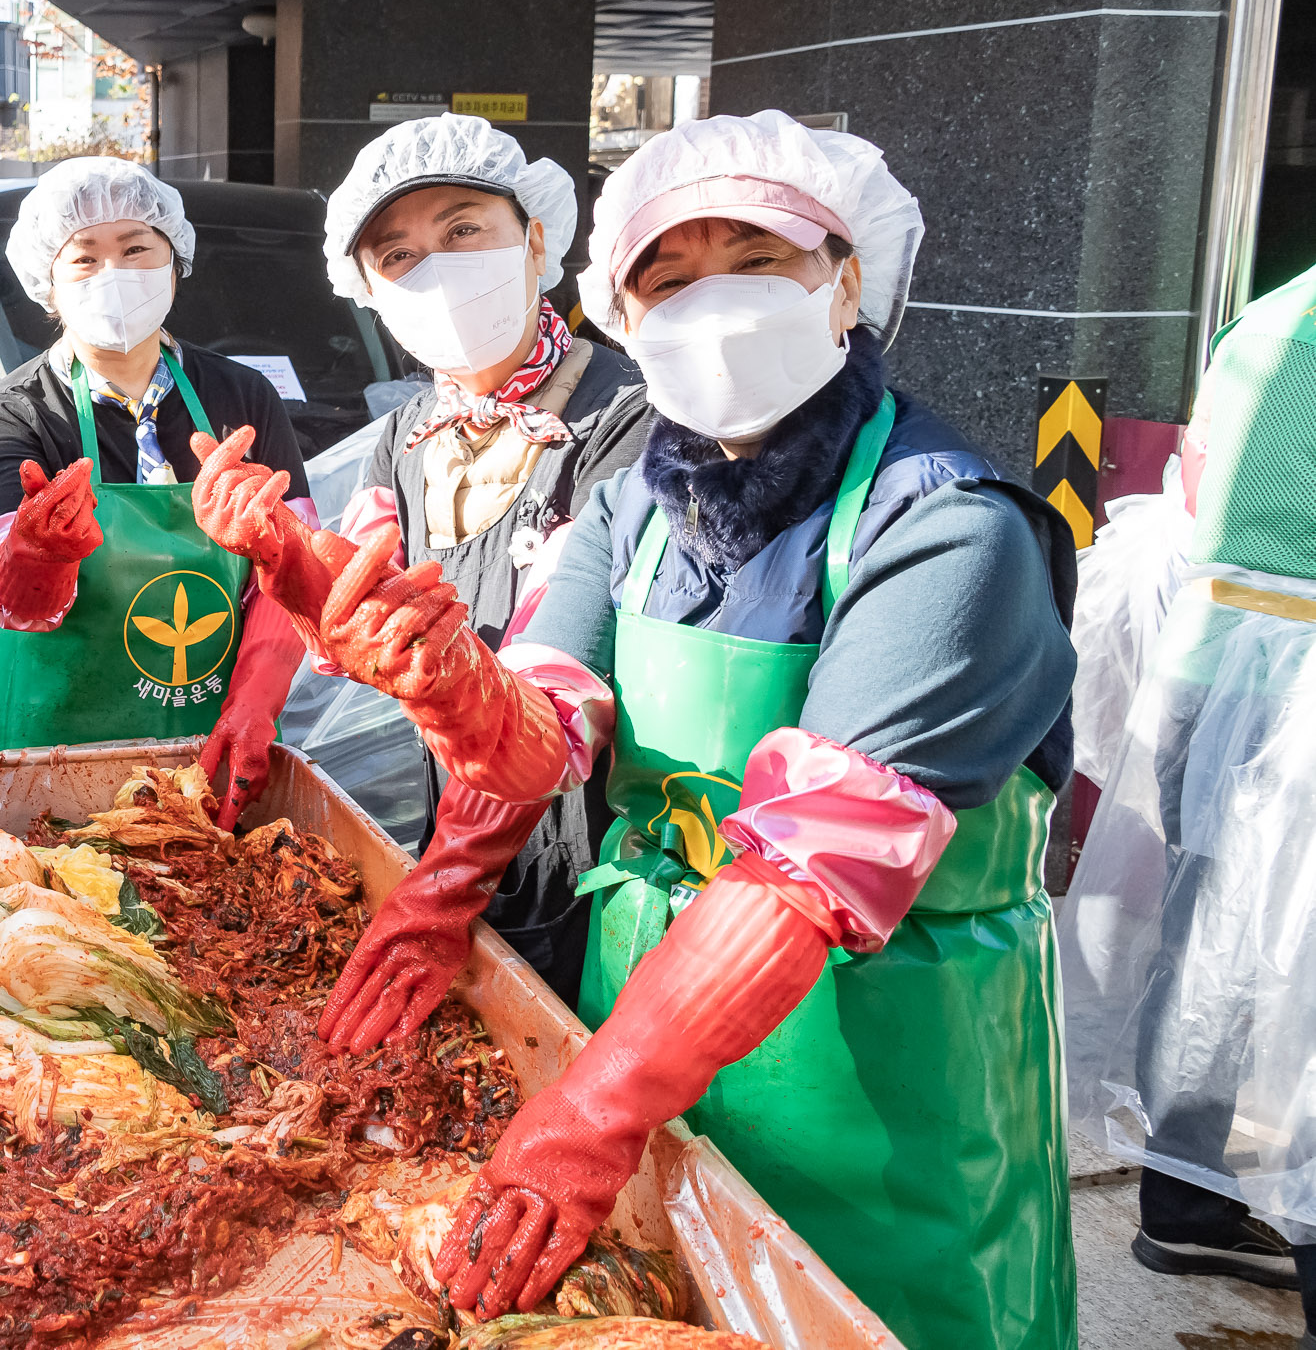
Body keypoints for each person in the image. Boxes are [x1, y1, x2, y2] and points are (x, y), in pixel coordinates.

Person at [195, 111, 1078, 1349]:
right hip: (652, 1038)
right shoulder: (633, 510)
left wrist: (590, 1110)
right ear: (627, 310)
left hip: (883, 1081)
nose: (711, 300)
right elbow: (540, 732)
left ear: (848, 285)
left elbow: (804, 868)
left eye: (757, 260)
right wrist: (446, 681)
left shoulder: (948, 532)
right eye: (668, 273)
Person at [310, 113, 650, 1003]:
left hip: (600, 850)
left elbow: (562, 679)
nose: (438, 270)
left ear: (536, 239)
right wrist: (280, 559)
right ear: (371, 294)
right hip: (453, 822)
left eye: (464, 230)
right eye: (399, 256)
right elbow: (350, 613)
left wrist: (449, 883)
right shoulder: (405, 440)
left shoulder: (629, 422)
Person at [1061, 258, 1316, 1349]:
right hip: (1294, 683)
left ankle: (1186, 1200)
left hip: (1216, 663)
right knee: (1296, 986)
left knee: (1211, 948)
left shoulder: (1275, 313)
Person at [0, 157, 310, 818]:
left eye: (135, 249)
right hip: (48, 766)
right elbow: (10, 604)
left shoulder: (242, 396)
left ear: (174, 264)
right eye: (84, 258)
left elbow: (296, 572)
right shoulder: (14, 413)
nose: (113, 274)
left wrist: (257, 699)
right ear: (49, 287)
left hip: (212, 751)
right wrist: (36, 556)